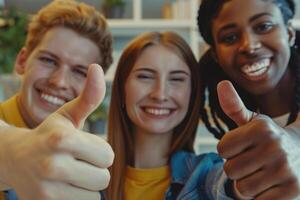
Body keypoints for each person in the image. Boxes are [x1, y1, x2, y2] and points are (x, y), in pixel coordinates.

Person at [0, 0, 114, 199]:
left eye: (79, 71)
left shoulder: (90, 167)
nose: (59, 82)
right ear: (22, 61)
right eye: (48, 60)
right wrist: (10, 156)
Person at [104, 31, 234, 200]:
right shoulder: (87, 175)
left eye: (177, 79)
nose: (160, 94)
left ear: (192, 94)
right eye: (145, 76)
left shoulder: (207, 173)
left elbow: (229, 188)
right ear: (122, 89)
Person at [198, 0, 300, 199]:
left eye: (263, 26)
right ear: (216, 56)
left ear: (289, 33)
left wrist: (294, 140)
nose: (249, 46)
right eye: (230, 37)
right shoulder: (239, 127)